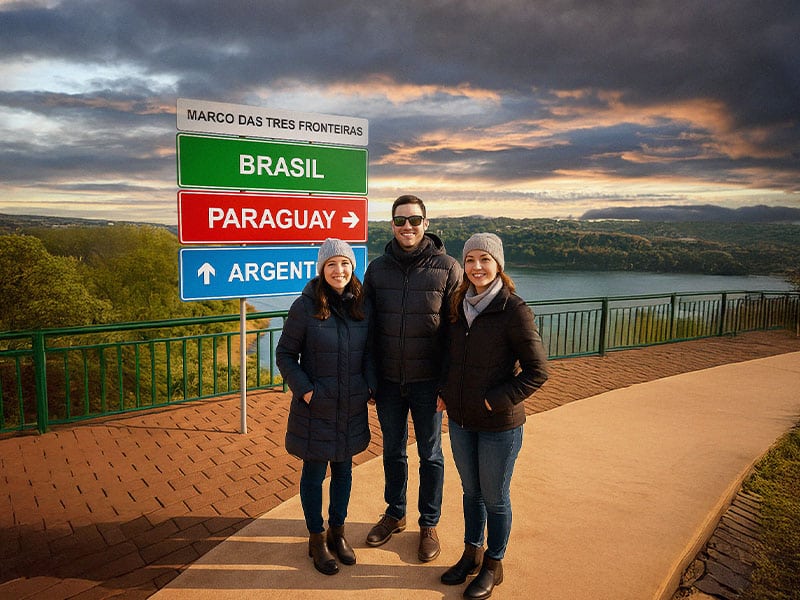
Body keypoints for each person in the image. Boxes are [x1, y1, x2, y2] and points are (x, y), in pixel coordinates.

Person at [439, 233, 549, 599]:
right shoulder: (457, 304)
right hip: (460, 421)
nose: (476, 267)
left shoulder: (513, 309)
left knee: (495, 497)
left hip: (498, 426)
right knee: (471, 493)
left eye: (484, 259)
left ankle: (493, 563)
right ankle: (471, 553)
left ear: (498, 265)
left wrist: (494, 401)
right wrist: (445, 392)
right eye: (470, 260)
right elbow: (448, 356)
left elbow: (538, 371)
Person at [363, 194, 462, 562]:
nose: (408, 227)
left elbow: (455, 333)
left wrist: (446, 386)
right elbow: (368, 330)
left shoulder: (449, 268)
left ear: (426, 223)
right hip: (388, 382)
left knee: (431, 455)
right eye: (400, 220)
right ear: (392, 225)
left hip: (428, 384)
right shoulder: (377, 269)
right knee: (392, 451)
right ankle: (395, 513)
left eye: (414, 220)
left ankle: (429, 522)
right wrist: (370, 379)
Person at [276, 238, 376, 576]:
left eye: (345, 263)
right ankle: (316, 538)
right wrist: (306, 392)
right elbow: (285, 355)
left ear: (352, 267)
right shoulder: (304, 307)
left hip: (351, 406)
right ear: (322, 269)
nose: (339, 270)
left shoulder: (362, 305)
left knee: (344, 471)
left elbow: (370, 354)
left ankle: (338, 532)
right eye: (331, 264)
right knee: (315, 473)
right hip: (316, 407)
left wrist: (370, 386)